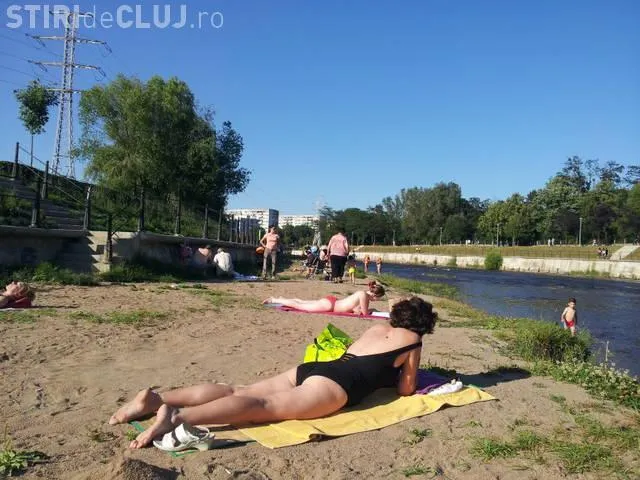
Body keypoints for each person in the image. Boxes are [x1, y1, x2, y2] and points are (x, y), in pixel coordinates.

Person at [109, 296, 437, 450]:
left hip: (318, 368)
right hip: (338, 385)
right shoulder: (414, 342)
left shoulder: (377, 327)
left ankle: (157, 399)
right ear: (422, 324)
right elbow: (406, 389)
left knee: (238, 390)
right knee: (262, 408)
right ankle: (178, 416)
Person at [263, 281, 385, 315]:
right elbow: (365, 313)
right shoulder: (363, 295)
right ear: (375, 295)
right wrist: (373, 310)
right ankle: (274, 299)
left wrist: (359, 310)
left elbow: (355, 310)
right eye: (378, 298)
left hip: (331, 303)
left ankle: (282, 299)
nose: (377, 300)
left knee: (302, 302)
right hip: (330, 306)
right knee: (300, 306)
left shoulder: (362, 294)